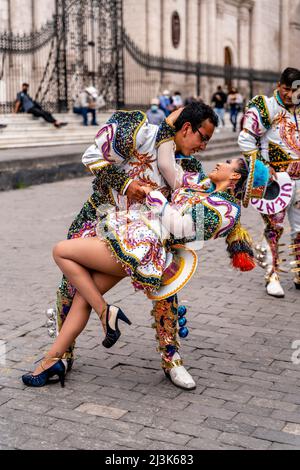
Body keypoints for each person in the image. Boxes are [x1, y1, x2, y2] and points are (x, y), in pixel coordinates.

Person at [22, 156, 269, 389]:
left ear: (235, 176)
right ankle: (52, 359)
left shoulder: (226, 211)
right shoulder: (203, 187)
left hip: (147, 248)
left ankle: (107, 313)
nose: (219, 163)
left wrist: (157, 200)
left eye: (227, 163)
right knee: (82, 297)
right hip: (137, 238)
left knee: (62, 251)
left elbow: (184, 229)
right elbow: (167, 162)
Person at [30, 103, 219, 391]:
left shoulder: (188, 167)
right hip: (103, 219)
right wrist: (126, 182)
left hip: (145, 238)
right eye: (202, 138)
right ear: (186, 128)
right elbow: (92, 158)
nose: (203, 147)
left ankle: (172, 358)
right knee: (70, 286)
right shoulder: (140, 133)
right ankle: (63, 355)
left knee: (166, 291)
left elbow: (187, 212)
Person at [238, 67, 300, 297]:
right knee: (274, 227)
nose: (288, 94)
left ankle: (298, 272)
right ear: (279, 84)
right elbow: (246, 139)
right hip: (277, 181)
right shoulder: (265, 106)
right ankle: (272, 274)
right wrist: (265, 167)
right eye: (285, 89)